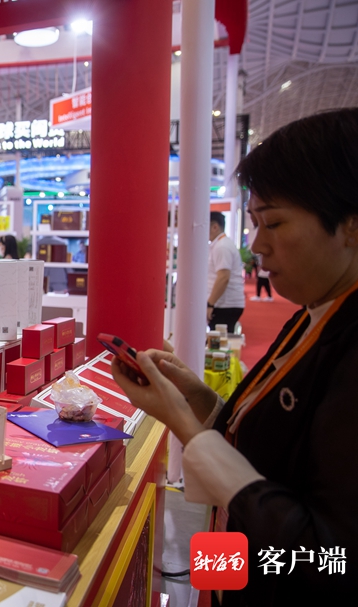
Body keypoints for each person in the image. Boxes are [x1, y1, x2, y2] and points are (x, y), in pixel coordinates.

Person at [111, 108, 358, 604]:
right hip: (231, 559)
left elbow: (328, 555)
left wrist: (184, 425)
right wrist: (198, 398)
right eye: (255, 223)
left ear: (350, 225)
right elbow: (272, 439)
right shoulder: (313, 311)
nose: (257, 247)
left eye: (274, 223)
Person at [207, 211, 245, 330]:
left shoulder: (222, 247)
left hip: (224, 305)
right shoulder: (220, 244)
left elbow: (223, 277)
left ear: (215, 227)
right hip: (224, 304)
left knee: (219, 338)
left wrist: (210, 304)